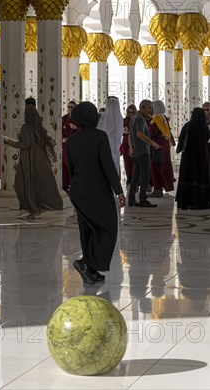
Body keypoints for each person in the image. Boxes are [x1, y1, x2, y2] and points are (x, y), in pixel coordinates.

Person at [66, 102, 125, 285]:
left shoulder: (72, 140)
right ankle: (85, 263)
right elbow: (108, 166)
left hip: (78, 192)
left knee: (88, 230)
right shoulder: (100, 136)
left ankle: (90, 270)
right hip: (98, 192)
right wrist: (119, 190)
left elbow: (71, 169)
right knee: (108, 228)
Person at [5, 104, 63, 220]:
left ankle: (31, 207)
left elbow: (26, 144)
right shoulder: (39, 127)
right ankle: (38, 205)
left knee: (22, 182)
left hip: (29, 158)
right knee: (38, 182)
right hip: (40, 159)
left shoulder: (26, 127)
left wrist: (12, 144)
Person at [175, 108, 210, 210]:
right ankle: (199, 201)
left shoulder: (188, 126)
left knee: (188, 176)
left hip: (188, 156)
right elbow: (207, 139)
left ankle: (186, 202)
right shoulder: (204, 127)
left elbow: (182, 139)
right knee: (200, 176)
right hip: (201, 156)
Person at [127, 99, 161, 207]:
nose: (150, 110)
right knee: (145, 176)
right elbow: (139, 134)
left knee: (135, 177)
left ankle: (131, 199)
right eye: (149, 108)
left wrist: (131, 147)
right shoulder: (140, 119)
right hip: (142, 152)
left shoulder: (133, 118)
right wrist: (152, 143)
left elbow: (129, 135)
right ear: (142, 108)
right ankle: (142, 199)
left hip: (137, 152)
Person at [148, 100, 175, 197]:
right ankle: (161, 187)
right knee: (163, 167)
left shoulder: (155, 119)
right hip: (165, 146)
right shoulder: (164, 117)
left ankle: (157, 189)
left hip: (157, 147)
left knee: (156, 168)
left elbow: (153, 133)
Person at [97, 96, 124, 175]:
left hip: (106, 145)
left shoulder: (103, 116)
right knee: (114, 161)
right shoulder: (119, 117)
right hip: (115, 146)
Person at [61, 101, 78, 191]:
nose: (70, 109)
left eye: (72, 107)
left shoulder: (78, 119)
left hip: (74, 147)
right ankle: (65, 184)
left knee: (71, 165)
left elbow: (82, 131)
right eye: (69, 107)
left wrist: (76, 128)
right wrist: (62, 139)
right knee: (63, 165)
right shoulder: (64, 119)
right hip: (64, 146)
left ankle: (74, 184)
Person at [122, 104, 137, 185]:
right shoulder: (124, 120)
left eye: (132, 112)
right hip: (126, 142)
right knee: (127, 161)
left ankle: (135, 177)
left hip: (135, 142)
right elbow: (121, 130)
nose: (130, 114)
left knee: (135, 160)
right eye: (129, 112)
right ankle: (129, 177)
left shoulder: (137, 120)